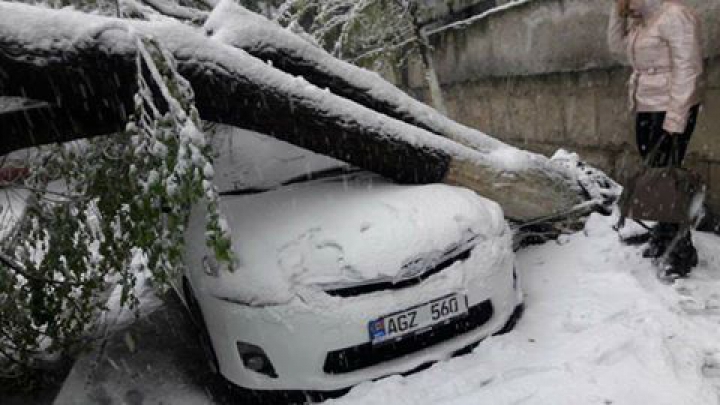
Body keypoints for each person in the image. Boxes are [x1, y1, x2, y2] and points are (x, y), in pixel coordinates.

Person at [608, 0, 705, 277]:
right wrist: (617, 13)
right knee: (656, 175)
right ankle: (664, 235)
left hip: (672, 106)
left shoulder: (676, 15)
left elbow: (689, 68)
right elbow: (616, 48)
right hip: (646, 106)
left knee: (669, 177)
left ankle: (681, 251)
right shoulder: (641, 23)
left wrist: (675, 119)